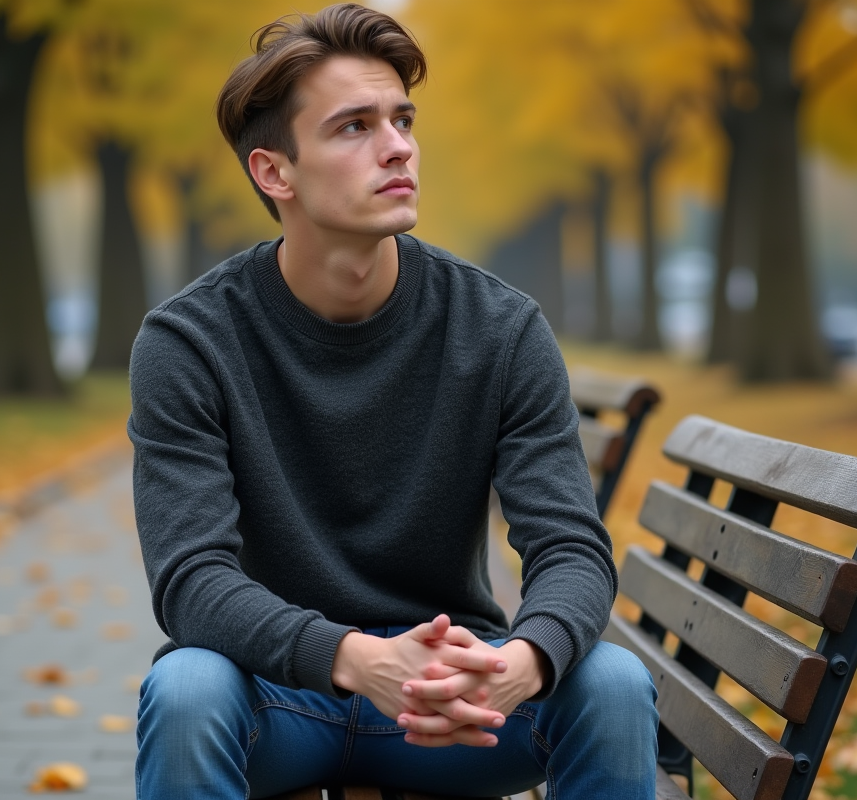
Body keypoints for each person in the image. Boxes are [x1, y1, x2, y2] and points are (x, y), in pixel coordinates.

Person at [128, 4, 658, 798]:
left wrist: (522, 662)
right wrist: (354, 659)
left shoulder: (501, 329)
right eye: (354, 127)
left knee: (611, 682)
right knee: (186, 690)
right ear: (275, 172)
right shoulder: (189, 344)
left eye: (402, 119)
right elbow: (191, 579)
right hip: (281, 697)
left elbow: (570, 549)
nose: (399, 146)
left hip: (456, 704)